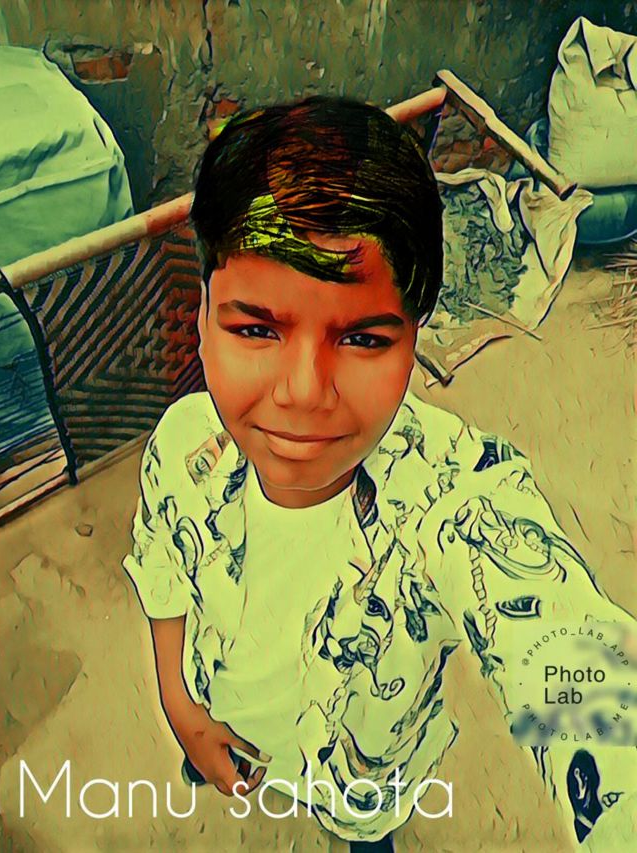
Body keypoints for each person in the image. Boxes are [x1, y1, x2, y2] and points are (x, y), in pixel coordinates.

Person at [122, 96, 635, 851]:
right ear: (201, 318)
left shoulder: (453, 500)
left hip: (362, 781)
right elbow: (165, 573)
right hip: (221, 708)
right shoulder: (181, 448)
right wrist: (182, 707)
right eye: (256, 328)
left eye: (362, 338)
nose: (303, 392)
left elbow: (574, 663)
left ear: (415, 335)